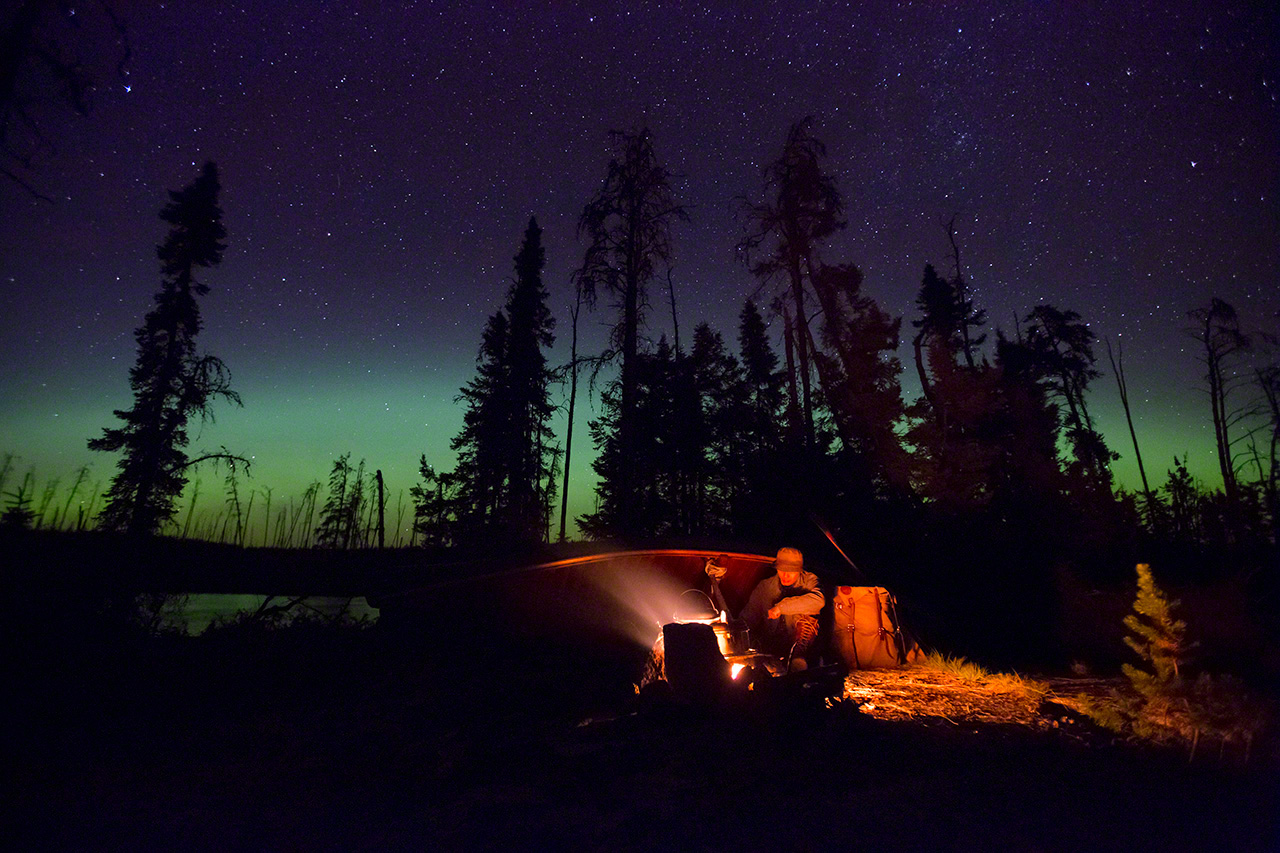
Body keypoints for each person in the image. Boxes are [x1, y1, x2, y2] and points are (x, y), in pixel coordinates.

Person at [741, 547, 824, 670]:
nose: (785, 575)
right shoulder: (765, 587)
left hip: (799, 644)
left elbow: (819, 600)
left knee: (809, 609)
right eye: (781, 570)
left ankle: (798, 658)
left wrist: (781, 607)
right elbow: (748, 617)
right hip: (771, 643)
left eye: (791, 571)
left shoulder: (809, 581)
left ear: (799, 570)